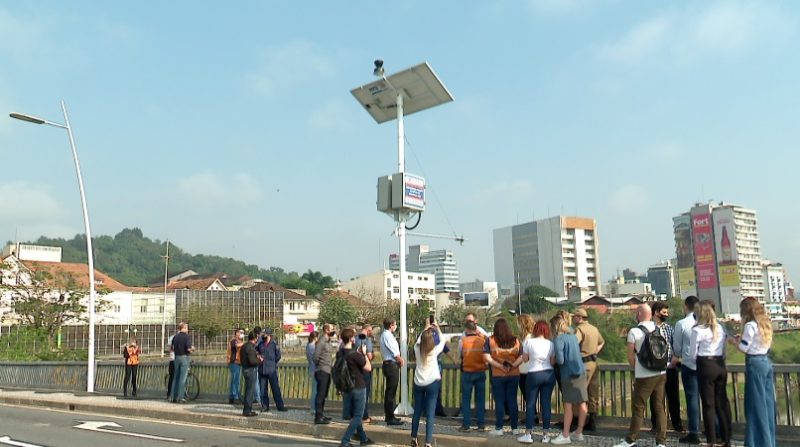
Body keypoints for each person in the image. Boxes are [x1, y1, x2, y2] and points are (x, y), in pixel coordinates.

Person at [613, 304, 667, 447]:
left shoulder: (634, 332)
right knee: (659, 407)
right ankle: (661, 441)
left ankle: (631, 439)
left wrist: (638, 369)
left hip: (644, 375)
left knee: (638, 407)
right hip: (661, 372)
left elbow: (630, 356)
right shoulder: (659, 329)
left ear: (639, 314)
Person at [689, 300, 732, 447]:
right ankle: (726, 439)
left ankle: (711, 440)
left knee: (708, 404)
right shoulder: (719, 328)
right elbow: (725, 348)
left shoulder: (698, 330)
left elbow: (692, 353)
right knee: (722, 403)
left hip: (705, 364)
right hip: (720, 364)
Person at [736, 297, 776, 447]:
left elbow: (744, 348)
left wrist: (735, 342)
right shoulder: (765, 324)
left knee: (754, 406)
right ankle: (769, 441)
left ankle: (756, 442)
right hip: (766, 362)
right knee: (766, 404)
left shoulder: (750, 326)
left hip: (754, 364)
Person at [483, 318, 526, 437]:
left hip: (498, 375)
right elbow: (522, 356)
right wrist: (513, 366)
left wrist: (500, 367)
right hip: (513, 374)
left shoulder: (490, 340)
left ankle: (499, 427)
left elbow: (487, 357)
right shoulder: (516, 340)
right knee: (512, 401)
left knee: (500, 401)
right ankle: (515, 428)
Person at [410, 319, 447, 447]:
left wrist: (425, 328)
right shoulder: (434, 351)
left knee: (417, 412)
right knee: (430, 414)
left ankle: (414, 438)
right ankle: (428, 442)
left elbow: (419, 340)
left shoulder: (417, 349)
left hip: (418, 382)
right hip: (432, 383)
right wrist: (437, 328)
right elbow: (442, 340)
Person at [518, 320, 555, 444]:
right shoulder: (550, 343)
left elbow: (524, 359)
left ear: (535, 329)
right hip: (548, 373)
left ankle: (528, 434)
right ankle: (545, 435)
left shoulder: (529, 342)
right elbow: (553, 361)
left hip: (534, 373)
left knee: (530, 403)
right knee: (546, 404)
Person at [552, 316, 587, 445]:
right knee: (582, 402)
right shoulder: (573, 336)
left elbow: (560, 360)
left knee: (568, 405)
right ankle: (579, 432)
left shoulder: (558, 339)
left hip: (568, 374)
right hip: (581, 371)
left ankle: (565, 434)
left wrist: (554, 358)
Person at [670, 295, 701, 444]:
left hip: (689, 364)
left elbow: (677, 347)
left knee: (692, 398)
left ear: (685, 306)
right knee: (709, 399)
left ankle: (694, 431)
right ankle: (714, 429)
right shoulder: (704, 322)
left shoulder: (681, 323)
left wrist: (678, 356)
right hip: (707, 364)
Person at [338, 328, 376, 447]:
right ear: (351, 339)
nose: (355, 339)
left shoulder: (340, 353)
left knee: (354, 415)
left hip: (346, 387)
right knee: (358, 416)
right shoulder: (355, 354)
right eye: (353, 337)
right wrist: (363, 354)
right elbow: (368, 368)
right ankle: (345, 441)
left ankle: (363, 438)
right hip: (358, 386)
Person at [649, 302, 683, 433]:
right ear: (656, 312)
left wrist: (676, 357)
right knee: (656, 399)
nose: (666, 315)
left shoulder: (670, 328)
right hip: (655, 369)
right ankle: (656, 424)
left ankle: (677, 424)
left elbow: (675, 346)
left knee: (673, 397)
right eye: (664, 312)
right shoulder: (649, 328)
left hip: (670, 368)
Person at [572, 308, 604, 432]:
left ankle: (575, 421)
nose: (573, 318)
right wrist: (595, 351)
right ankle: (592, 420)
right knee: (592, 394)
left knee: (578, 393)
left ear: (579, 317)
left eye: (574, 316)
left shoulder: (579, 329)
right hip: (594, 363)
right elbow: (602, 341)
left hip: (583, 363)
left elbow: (574, 343)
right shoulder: (594, 329)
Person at [459, 320, 487, 432]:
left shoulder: (463, 341)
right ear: (476, 329)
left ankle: (466, 425)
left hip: (467, 372)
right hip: (480, 371)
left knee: (466, 399)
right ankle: (481, 424)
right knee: (480, 399)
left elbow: (460, 355)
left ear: (466, 329)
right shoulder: (482, 341)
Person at [380, 318, 404, 426]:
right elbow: (393, 350)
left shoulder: (387, 335)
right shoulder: (387, 336)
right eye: (395, 324)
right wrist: (400, 359)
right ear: (390, 325)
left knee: (391, 391)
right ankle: (389, 417)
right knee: (390, 391)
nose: (396, 326)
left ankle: (390, 415)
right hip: (390, 364)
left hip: (391, 364)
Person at [257, 327, 286, 412]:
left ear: (269, 335)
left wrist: (272, 363)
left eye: (265, 334)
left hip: (271, 370)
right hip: (262, 369)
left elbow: (278, 356)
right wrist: (258, 356)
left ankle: (280, 406)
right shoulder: (260, 344)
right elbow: (256, 351)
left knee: (275, 389)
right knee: (263, 390)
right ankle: (265, 406)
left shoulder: (274, 344)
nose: (263, 336)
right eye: (262, 334)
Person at [314, 323, 336, 424]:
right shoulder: (321, 341)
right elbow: (315, 357)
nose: (334, 330)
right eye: (332, 329)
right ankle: (318, 416)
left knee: (323, 394)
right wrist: (321, 365)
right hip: (322, 370)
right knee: (320, 394)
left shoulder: (328, 341)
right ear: (326, 330)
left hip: (327, 370)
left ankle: (321, 414)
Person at [517, 314, 535, 425]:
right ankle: (533, 415)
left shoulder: (527, 339)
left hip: (526, 370)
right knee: (529, 396)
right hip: (527, 369)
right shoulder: (532, 336)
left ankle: (531, 416)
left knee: (528, 395)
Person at [170, 322, 194, 403]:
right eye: (186, 327)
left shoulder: (175, 337)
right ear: (183, 328)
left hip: (176, 358)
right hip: (184, 357)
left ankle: (173, 396)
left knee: (175, 377)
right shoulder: (187, 337)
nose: (188, 329)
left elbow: (172, 348)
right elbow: (188, 349)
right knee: (182, 378)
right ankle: (180, 397)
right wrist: (192, 349)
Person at [240, 331, 260, 417]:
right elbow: (252, 361)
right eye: (257, 338)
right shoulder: (251, 347)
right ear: (255, 338)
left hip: (244, 369)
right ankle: (247, 410)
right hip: (250, 370)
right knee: (250, 391)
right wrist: (260, 361)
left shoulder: (244, 346)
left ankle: (246, 409)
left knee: (247, 390)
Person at [227, 328, 245, 404]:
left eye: (243, 333)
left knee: (235, 380)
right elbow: (236, 346)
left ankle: (232, 396)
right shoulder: (233, 341)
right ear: (236, 333)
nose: (242, 334)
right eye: (240, 332)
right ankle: (235, 396)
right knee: (235, 380)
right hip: (234, 362)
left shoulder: (241, 342)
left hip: (239, 363)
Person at [306, 331, 319, 415]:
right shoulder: (312, 346)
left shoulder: (308, 345)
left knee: (315, 389)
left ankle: (314, 407)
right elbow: (316, 358)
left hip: (312, 368)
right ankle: (313, 408)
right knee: (315, 390)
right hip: (315, 369)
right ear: (315, 338)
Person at [166, 333, 175, 400]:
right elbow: (170, 349)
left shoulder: (172, 337)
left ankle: (170, 394)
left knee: (172, 377)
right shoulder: (173, 337)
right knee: (172, 377)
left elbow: (169, 349)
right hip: (173, 359)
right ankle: (170, 394)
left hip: (172, 359)